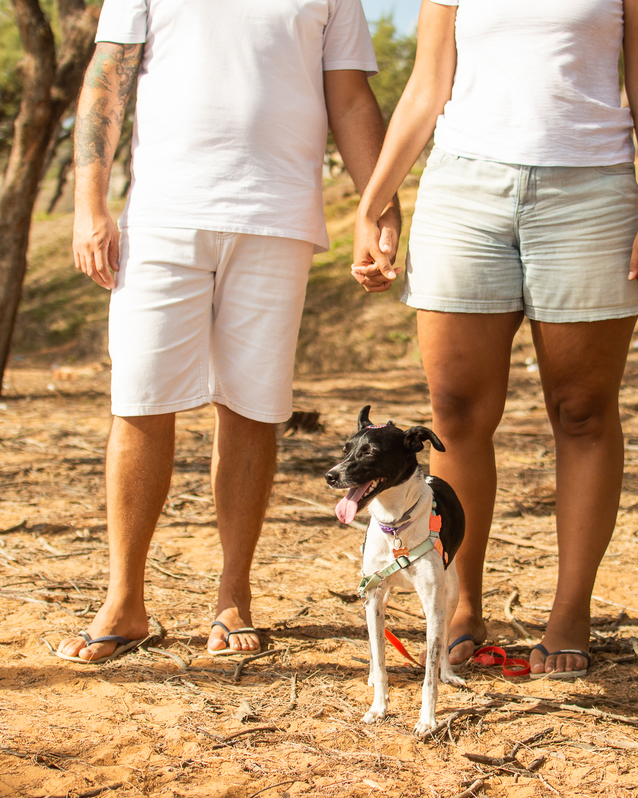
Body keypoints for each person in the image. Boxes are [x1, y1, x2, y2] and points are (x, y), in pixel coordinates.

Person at [59, 0, 401, 663]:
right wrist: (87, 204)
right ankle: (124, 600)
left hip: (277, 217)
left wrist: (379, 205)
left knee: (251, 408)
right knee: (139, 402)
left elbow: (352, 99)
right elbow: (109, 74)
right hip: (161, 215)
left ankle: (233, 595)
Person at [351, 0, 638, 677]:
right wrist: (374, 201)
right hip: (465, 190)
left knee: (583, 410)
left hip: (590, 192)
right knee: (457, 413)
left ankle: (570, 609)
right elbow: (427, 85)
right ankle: (461, 601)